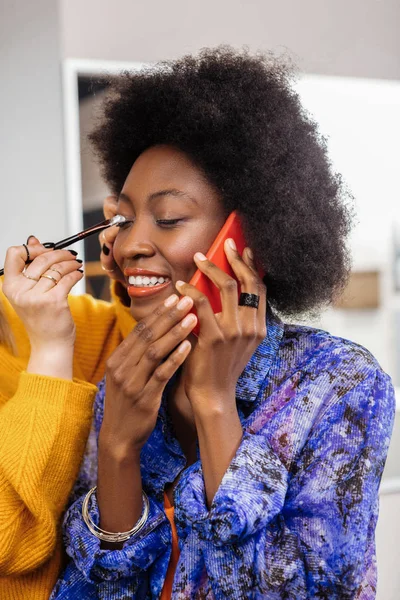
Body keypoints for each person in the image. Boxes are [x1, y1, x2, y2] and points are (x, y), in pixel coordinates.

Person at [45, 47, 395, 599]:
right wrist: (117, 447)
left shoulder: (340, 383)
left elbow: (300, 590)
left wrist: (213, 401)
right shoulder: (125, 386)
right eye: (125, 218)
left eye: (167, 218)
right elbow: (92, 589)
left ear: (247, 238)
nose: (131, 244)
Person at [0, 211, 133, 599]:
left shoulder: (15, 316)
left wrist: (129, 279)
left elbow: (132, 349)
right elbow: (9, 534)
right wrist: (51, 350)